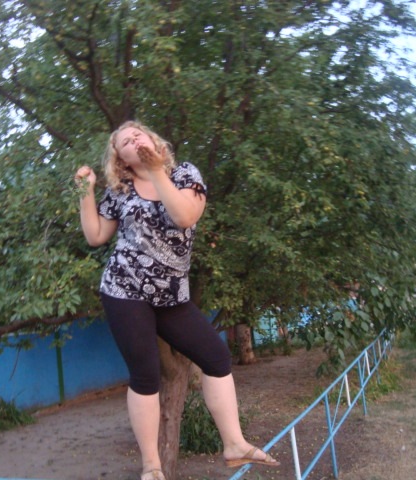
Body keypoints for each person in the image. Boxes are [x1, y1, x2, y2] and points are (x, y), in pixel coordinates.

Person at [74, 121, 280, 480]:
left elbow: (185, 216)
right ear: (120, 158)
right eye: (125, 141)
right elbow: (95, 235)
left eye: (138, 134)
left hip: (170, 293)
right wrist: (85, 191)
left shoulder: (184, 174)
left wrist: (156, 170)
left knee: (216, 356)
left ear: (152, 140)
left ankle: (234, 444)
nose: (133, 139)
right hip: (125, 289)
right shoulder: (120, 191)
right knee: (146, 373)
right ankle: (152, 467)